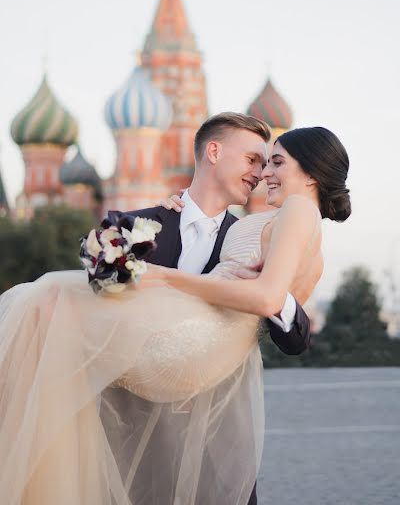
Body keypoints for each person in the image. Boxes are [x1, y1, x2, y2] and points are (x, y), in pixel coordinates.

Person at [0, 123, 351, 505]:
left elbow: (285, 319)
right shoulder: (139, 223)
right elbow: (100, 295)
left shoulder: (276, 219)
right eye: (254, 159)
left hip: (210, 414)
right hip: (134, 420)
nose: (262, 173)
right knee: (44, 304)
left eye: (272, 162)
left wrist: (170, 279)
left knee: (44, 299)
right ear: (214, 153)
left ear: (311, 174)